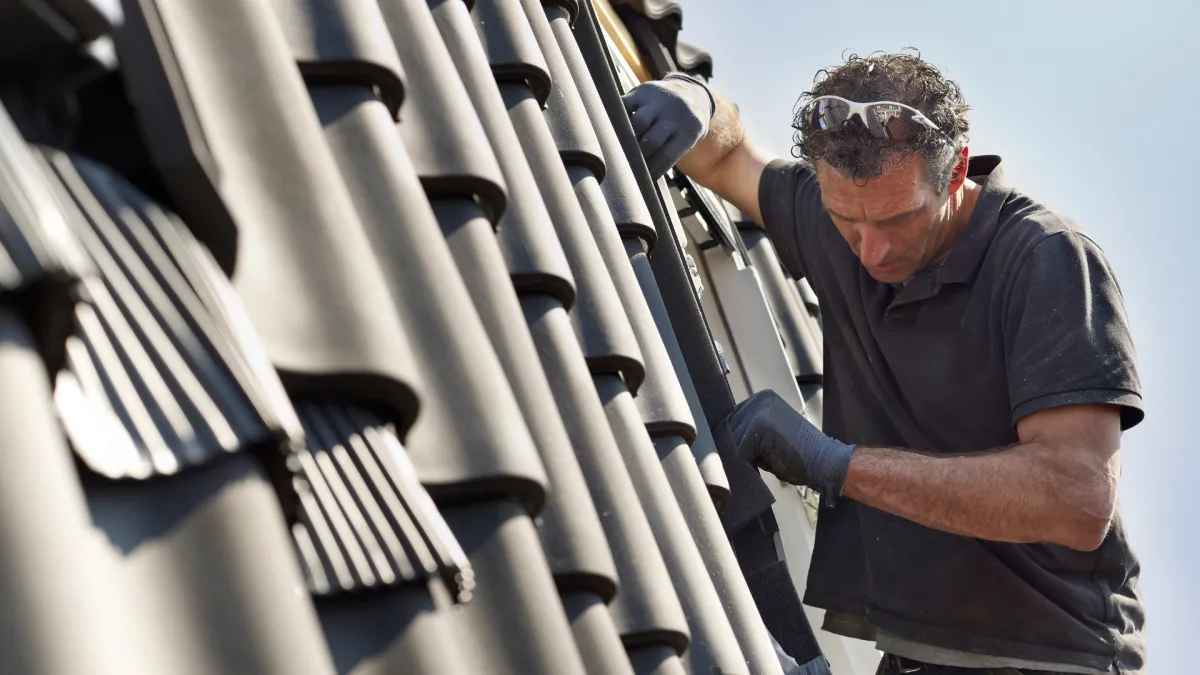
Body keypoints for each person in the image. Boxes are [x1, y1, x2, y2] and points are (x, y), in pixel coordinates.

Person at [622, 53, 1145, 675]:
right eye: (848, 221)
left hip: (1051, 657)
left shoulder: (1045, 258)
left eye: (899, 221)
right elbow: (729, 155)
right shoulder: (831, 215)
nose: (872, 251)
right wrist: (696, 100)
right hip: (914, 654)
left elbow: (1077, 499)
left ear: (954, 178)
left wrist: (833, 464)